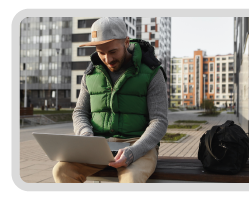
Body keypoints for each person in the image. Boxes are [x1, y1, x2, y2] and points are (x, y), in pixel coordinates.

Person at [52, 17, 168, 183]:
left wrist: (134, 151)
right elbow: (80, 112)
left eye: (113, 51)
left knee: (131, 180)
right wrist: (86, 135)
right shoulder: (90, 74)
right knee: (61, 171)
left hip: (137, 146)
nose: (107, 59)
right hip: (99, 146)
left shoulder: (152, 72)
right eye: (101, 53)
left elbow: (159, 121)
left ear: (126, 42)